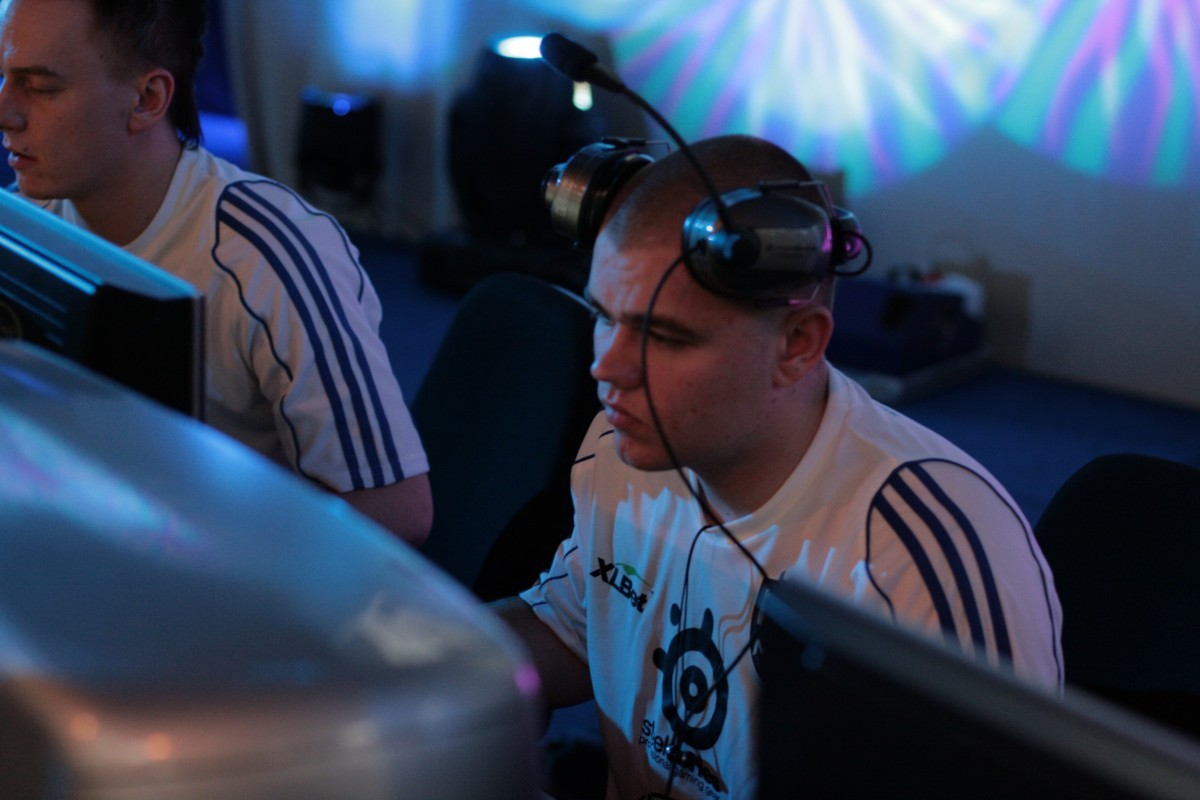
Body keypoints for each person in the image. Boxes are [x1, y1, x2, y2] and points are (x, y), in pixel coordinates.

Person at [492, 134, 1063, 799]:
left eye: (665, 337)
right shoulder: (622, 448)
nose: (606, 368)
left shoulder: (923, 559)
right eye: (602, 316)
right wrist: (424, 655)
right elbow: (576, 623)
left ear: (796, 345)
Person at [0, 0, 432, 545]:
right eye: (4, 79)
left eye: (41, 87)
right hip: (83, 529)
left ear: (147, 99)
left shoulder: (268, 252)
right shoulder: (28, 219)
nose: (5, 112)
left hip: (219, 569)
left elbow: (397, 510)